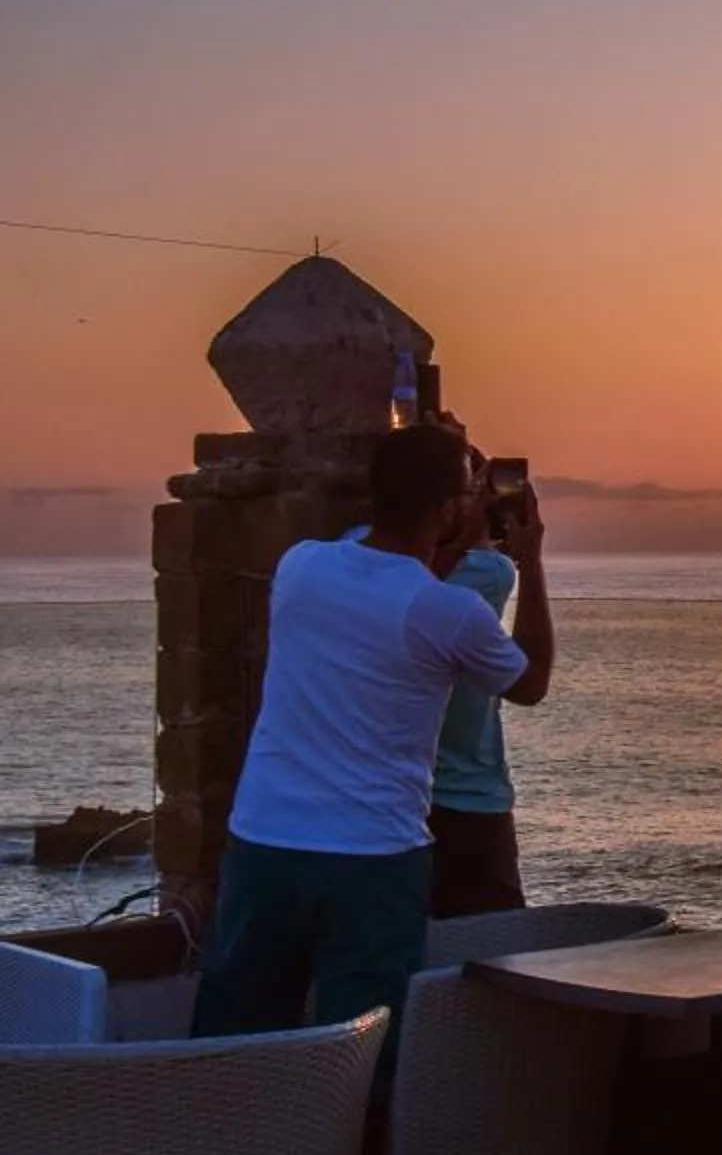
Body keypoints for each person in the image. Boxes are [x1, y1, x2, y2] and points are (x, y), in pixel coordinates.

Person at [191, 424, 555, 1078]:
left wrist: (447, 535)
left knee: (236, 1032)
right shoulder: (450, 613)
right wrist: (531, 563)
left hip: (265, 841)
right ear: (448, 509)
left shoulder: (301, 565)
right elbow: (530, 681)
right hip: (371, 857)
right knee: (363, 1057)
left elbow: (390, 583)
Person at [423, 442, 527, 917]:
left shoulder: (343, 553)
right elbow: (530, 683)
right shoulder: (489, 573)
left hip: (385, 803)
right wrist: (532, 559)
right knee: (495, 945)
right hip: (467, 798)